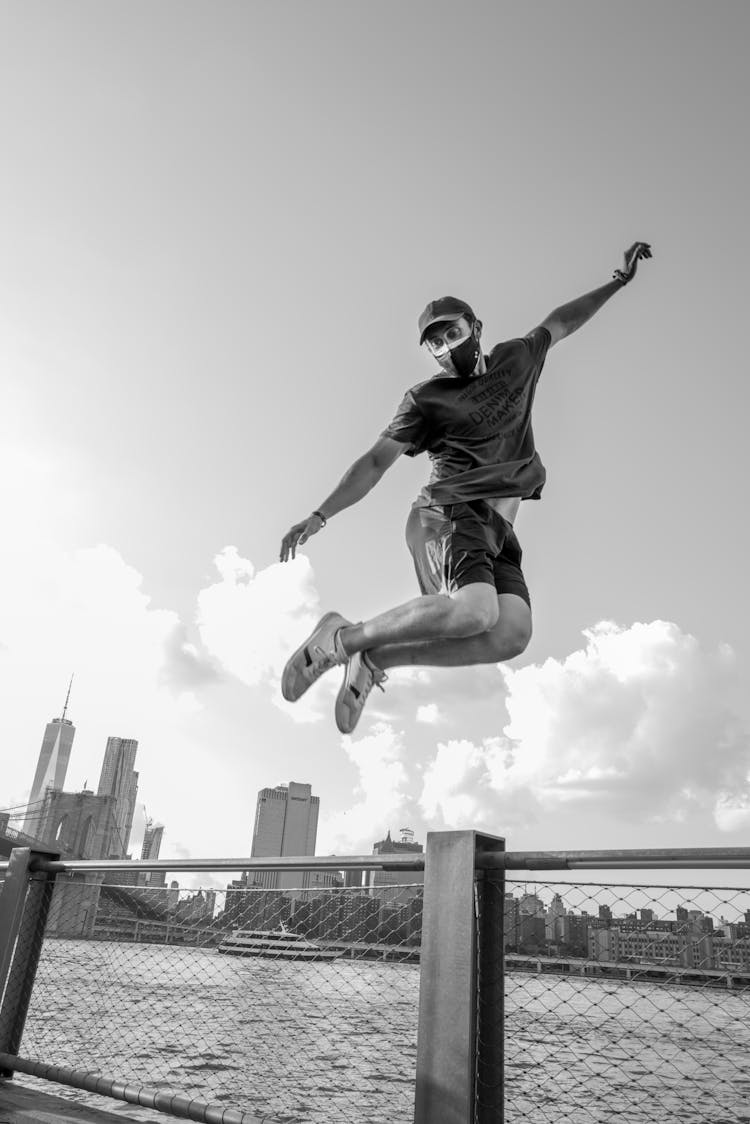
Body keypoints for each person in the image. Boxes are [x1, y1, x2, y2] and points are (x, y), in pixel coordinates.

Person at [279, 242, 652, 734]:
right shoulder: (425, 399)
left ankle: (374, 661)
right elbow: (375, 461)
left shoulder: (516, 359)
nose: (447, 348)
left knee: (510, 633)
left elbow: (561, 321)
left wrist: (617, 283)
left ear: (476, 329)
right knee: (475, 609)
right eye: (436, 344)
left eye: (453, 333)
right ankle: (342, 637)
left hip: (497, 529)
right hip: (447, 513)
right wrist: (320, 515)